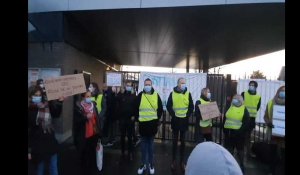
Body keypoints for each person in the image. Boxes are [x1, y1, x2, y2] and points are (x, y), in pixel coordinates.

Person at [28, 86, 64, 175]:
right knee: (40, 169)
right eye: (35, 95)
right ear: (30, 96)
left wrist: (60, 102)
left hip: (50, 140)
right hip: (37, 144)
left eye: (39, 95)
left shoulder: (47, 104)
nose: (38, 97)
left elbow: (56, 114)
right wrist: (29, 150)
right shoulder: (30, 108)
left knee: (53, 167)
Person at [135, 78, 163, 175]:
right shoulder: (140, 96)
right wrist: (137, 118)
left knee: (151, 147)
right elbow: (135, 108)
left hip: (152, 126)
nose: (147, 86)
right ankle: (143, 164)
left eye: (149, 84)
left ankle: (151, 164)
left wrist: (156, 119)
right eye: (146, 84)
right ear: (144, 85)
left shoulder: (156, 95)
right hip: (143, 126)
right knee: (143, 147)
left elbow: (160, 109)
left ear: (151, 85)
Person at [167, 77, 194, 172]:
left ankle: (182, 161)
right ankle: (173, 161)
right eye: (182, 83)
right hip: (175, 120)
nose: (183, 84)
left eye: (184, 83)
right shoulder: (172, 93)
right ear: (178, 84)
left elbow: (191, 106)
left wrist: (187, 115)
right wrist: (173, 115)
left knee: (183, 142)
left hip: (184, 121)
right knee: (174, 141)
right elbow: (168, 106)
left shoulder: (188, 93)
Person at [74, 91, 101, 175]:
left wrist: (99, 133)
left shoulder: (94, 106)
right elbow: (76, 121)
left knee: (92, 154)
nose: (89, 98)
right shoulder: (78, 107)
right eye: (87, 96)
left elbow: (97, 120)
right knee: (83, 155)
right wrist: (85, 117)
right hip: (83, 135)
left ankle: (91, 170)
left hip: (93, 134)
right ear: (83, 97)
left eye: (90, 96)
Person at [223, 94, 250, 173]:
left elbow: (246, 123)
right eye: (234, 98)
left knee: (240, 152)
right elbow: (225, 119)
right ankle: (228, 167)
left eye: (236, 99)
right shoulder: (229, 107)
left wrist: (239, 132)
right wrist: (224, 130)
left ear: (241, 101)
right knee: (229, 152)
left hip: (239, 136)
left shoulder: (244, 110)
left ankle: (242, 167)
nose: (234, 100)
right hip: (229, 134)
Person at [263, 85, 285, 174]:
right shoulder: (271, 102)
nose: (283, 93)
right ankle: (271, 171)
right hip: (273, 133)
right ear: (278, 92)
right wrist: (268, 123)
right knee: (273, 154)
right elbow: (265, 116)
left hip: (284, 135)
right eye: (281, 91)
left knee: (283, 154)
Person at [241, 80, 261, 157]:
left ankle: (248, 152)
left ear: (256, 87)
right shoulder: (244, 94)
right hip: (243, 117)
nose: (251, 86)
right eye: (250, 85)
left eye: (253, 85)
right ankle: (241, 150)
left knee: (248, 136)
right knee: (241, 135)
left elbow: (258, 107)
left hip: (252, 119)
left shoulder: (258, 96)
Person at [118, 81, 136, 160]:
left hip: (130, 119)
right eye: (127, 85)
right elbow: (117, 102)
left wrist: (134, 116)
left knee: (130, 137)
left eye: (130, 86)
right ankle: (122, 152)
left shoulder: (134, 96)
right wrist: (117, 92)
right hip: (122, 119)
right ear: (125, 86)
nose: (128, 87)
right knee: (122, 136)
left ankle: (130, 152)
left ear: (132, 87)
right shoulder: (121, 95)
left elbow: (136, 107)